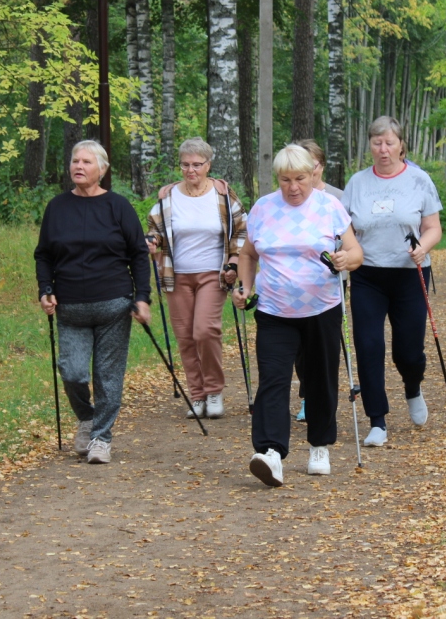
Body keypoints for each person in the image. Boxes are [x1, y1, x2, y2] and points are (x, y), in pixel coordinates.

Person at [234, 145, 363, 487]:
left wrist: (344, 260)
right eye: (285, 180)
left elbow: (355, 252)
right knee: (273, 379)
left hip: (321, 307)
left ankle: (319, 445)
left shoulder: (329, 206)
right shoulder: (263, 208)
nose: (293, 187)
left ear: (313, 174)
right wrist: (245, 288)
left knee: (320, 377)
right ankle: (271, 452)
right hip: (274, 309)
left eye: (300, 179)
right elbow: (247, 255)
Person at [35, 140, 151, 465]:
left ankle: (101, 438)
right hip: (70, 307)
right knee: (72, 372)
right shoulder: (56, 208)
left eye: (86, 161)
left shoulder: (118, 206)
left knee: (107, 376)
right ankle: (86, 418)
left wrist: (142, 298)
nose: (79, 166)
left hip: (113, 304)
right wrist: (45, 289)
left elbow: (139, 254)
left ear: (102, 169)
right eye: (75, 160)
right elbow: (43, 254)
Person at [342, 116, 443, 447]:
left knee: (408, 352)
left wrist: (423, 248)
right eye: (376, 142)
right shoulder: (357, 183)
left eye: (389, 143)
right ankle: (378, 420)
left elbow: (433, 227)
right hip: (368, 273)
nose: (383, 149)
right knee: (369, 345)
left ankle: (413, 387)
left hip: (409, 273)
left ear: (401, 144)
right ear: (369, 145)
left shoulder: (419, 180)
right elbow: (345, 230)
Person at [147, 137, 248, 420]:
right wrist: (152, 241)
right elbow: (155, 228)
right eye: (185, 165)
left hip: (212, 274)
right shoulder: (167, 196)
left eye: (197, 165)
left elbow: (242, 229)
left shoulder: (223, 195)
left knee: (204, 331)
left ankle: (214, 390)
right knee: (185, 337)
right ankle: (197, 395)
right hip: (175, 275)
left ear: (208, 165)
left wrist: (234, 261)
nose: (191, 170)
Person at [293, 139, 343, 423]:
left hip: (329, 280)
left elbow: (352, 236)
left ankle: (321, 396)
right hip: (295, 282)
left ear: (320, 167)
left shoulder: (337, 197)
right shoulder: (289, 194)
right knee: (299, 345)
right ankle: (307, 395)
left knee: (323, 343)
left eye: (310, 166)